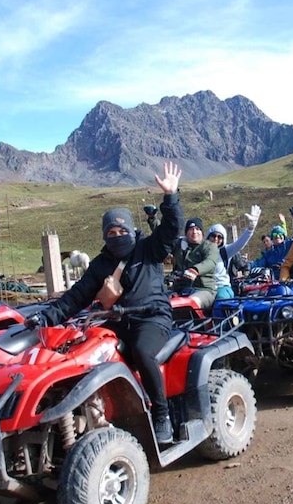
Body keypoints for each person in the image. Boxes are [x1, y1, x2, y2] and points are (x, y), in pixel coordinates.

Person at [29, 161, 183, 445]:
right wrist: (46, 319)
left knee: (141, 352)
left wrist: (170, 197)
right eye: (110, 233)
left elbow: (172, 230)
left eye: (121, 231)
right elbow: (77, 296)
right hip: (116, 322)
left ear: (130, 229)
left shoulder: (149, 248)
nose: (116, 236)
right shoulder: (100, 264)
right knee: (83, 352)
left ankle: (161, 415)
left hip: (152, 318)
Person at [206, 204, 261, 299]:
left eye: (219, 237)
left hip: (222, 288)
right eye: (213, 236)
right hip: (206, 289)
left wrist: (250, 228)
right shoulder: (202, 251)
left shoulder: (226, 251)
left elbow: (239, 244)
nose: (216, 239)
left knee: (220, 302)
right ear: (208, 237)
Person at [173, 217, 220, 311]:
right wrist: (152, 219)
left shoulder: (210, 246)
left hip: (205, 290)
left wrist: (195, 270)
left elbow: (210, 262)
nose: (194, 232)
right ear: (186, 233)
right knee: (160, 301)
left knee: (189, 304)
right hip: (181, 289)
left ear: (202, 233)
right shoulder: (180, 246)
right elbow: (164, 238)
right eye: (191, 229)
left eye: (197, 229)